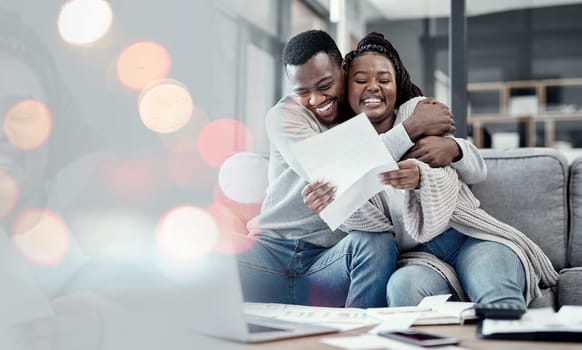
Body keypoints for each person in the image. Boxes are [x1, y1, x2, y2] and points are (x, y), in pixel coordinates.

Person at [310, 32, 557, 307]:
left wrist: (453, 149)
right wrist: (339, 195)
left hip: (468, 236)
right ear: (347, 89)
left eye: (384, 79)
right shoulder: (343, 149)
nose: (374, 87)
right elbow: (364, 221)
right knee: (403, 288)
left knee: (495, 293)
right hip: (420, 258)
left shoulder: (418, 111)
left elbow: (472, 172)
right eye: (361, 80)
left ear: (396, 85)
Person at [237, 29, 469, 307]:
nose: (316, 99)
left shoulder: (370, 117)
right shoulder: (284, 116)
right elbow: (328, 169)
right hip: (270, 252)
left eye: (325, 85)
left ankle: (359, 336)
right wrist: (412, 127)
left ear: (344, 69)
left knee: (376, 242)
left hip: (329, 262)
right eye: (302, 91)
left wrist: (456, 149)